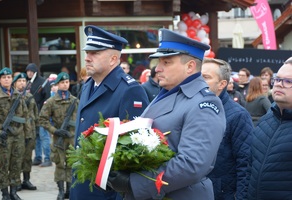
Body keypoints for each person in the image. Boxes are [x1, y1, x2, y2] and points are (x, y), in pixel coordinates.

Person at [107, 28, 226, 199]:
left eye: (166, 62)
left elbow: (191, 165)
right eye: (159, 62)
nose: (158, 69)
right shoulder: (168, 93)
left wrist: (135, 183)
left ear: (190, 67)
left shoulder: (204, 103)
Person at [69, 25, 149, 200]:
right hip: (82, 184)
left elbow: (134, 149)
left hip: (107, 191)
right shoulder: (89, 84)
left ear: (113, 59)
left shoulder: (130, 90)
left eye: (94, 53)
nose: (87, 58)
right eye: (87, 52)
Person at [202, 58, 253, 200]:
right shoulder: (191, 108)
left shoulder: (238, 115)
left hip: (221, 194)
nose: (199, 81)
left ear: (222, 84)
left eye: (206, 77)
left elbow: (245, 162)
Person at [248, 57, 292, 199]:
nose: (279, 84)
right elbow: (251, 166)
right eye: (278, 79)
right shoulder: (266, 119)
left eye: (288, 81)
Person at [0, 67, 30, 200]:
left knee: (16, 164)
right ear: (0, 80)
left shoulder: (17, 95)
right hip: (2, 137)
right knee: (3, 165)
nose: (7, 79)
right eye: (4, 78)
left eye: (9, 77)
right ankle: (5, 193)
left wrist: (24, 133)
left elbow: (25, 115)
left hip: (17, 136)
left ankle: (14, 191)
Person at [39, 72, 78, 200]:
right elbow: (42, 119)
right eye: (62, 82)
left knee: (71, 164)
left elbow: (80, 119)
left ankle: (69, 190)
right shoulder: (51, 102)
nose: (65, 85)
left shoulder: (74, 101)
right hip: (58, 139)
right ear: (57, 84)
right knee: (60, 164)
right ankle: (61, 191)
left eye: (67, 82)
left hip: (71, 137)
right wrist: (55, 130)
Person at [13, 73, 39, 191]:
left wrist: (36, 128)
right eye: (19, 81)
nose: (22, 83)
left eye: (24, 80)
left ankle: (26, 180)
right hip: (17, 132)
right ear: (15, 83)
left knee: (28, 157)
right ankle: (16, 181)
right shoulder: (12, 96)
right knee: (17, 157)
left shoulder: (30, 96)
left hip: (30, 132)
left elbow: (35, 113)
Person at [25, 63, 52, 167]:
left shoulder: (43, 82)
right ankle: (37, 157)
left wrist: (44, 112)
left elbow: (47, 98)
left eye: (31, 71)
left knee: (44, 136)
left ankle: (47, 158)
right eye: (28, 71)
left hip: (42, 113)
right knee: (36, 136)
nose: (29, 73)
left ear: (35, 72)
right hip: (32, 115)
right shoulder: (28, 83)